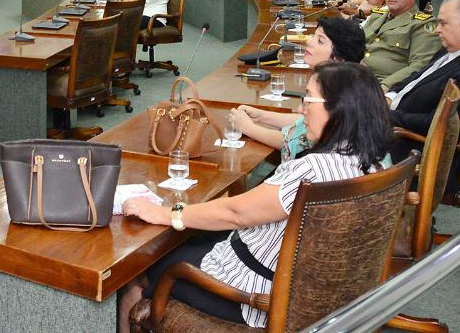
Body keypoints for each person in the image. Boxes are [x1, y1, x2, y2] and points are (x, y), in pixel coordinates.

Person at [118, 62, 393, 329]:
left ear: (339, 109)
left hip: (252, 293)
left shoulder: (312, 170)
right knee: (195, 238)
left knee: (138, 269)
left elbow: (236, 213)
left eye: (308, 100)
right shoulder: (374, 163)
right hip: (314, 290)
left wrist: (166, 213)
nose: (301, 110)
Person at [386, 0, 460, 190]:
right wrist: (389, 96)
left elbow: (437, 125)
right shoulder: (454, 49)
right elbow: (417, 77)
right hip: (398, 128)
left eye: (443, 23)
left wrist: (386, 115)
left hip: (413, 150)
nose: (437, 29)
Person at [230, 17, 368, 159]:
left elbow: (294, 142)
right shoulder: (348, 83)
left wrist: (249, 128)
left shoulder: (339, 96)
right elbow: (303, 121)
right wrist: (261, 116)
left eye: (320, 41)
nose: (309, 41)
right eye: (314, 36)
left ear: (339, 59)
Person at [362, 0, 443, 91]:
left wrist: (385, 86)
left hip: (382, 86)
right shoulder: (377, 16)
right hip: (354, 75)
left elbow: (420, 66)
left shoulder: (423, 24)